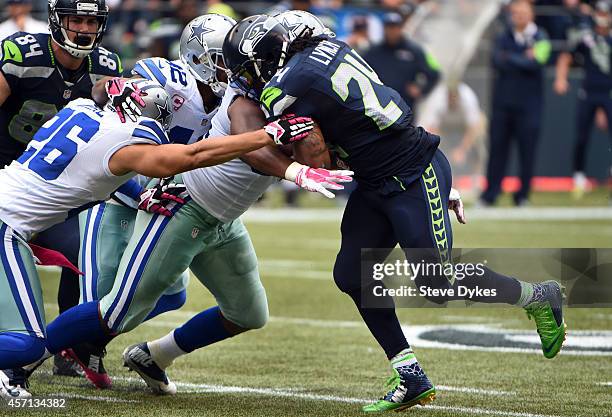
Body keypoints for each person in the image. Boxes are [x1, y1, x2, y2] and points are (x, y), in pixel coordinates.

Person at [223, 14, 566, 412]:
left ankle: (538, 296)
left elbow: (318, 157)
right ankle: (410, 374)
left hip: (412, 175)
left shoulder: (286, 87)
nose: (247, 78)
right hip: (379, 179)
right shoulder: (331, 49)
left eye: (248, 68)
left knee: (437, 285)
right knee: (351, 274)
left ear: (266, 57)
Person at [37, 12, 351, 396]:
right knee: (115, 308)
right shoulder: (237, 93)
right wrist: (296, 173)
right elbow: (251, 144)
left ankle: (153, 355)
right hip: (177, 202)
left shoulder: (294, 91)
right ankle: (23, 358)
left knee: (248, 313)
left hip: (223, 219)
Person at [0, 78, 314, 399]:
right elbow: (190, 156)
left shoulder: (80, 110)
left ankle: (150, 355)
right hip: (8, 224)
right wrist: (267, 135)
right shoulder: (126, 141)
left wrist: (141, 193)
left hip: (17, 210)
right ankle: (24, 363)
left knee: (218, 306)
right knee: (36, 339)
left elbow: (91, 164)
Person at [0, 0, 123, 388]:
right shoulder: (23, 54)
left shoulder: (106, 67)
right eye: (77, 20)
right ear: (56, 21)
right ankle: (15, 344)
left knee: (84, 254)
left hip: (52, 190)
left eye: (92, 21)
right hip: (8, 181)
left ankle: (70, 346)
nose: (85, 28)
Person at [480, 0, 551, 206]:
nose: (517, 16)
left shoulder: (541, 37)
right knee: (497, 150)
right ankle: (490, 194)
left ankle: (522, 195)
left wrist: (511, 58)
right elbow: (496, 60)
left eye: (522, 12)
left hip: (530, 106)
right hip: (502, 105)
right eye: (514, 13)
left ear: (531, 15)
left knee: (527, 152)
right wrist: (522, 58)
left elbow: (537, 62)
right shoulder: (503, 36)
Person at [554, 0, 612, 197]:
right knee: (581, 136)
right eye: (601, 13)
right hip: (589, 91)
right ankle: (578, 176)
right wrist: (561, 78)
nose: (603, 18)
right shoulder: (586, 37)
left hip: (609, 93)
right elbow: (566, 56)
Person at [363, 12, 440, 110]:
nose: (391, 31)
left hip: (405, 106)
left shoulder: (415, 50)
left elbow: (434, 73)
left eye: (395, 27)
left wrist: (421, 89)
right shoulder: (373, 51)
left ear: (401, 28)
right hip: (378, 106)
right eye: (389, 27)